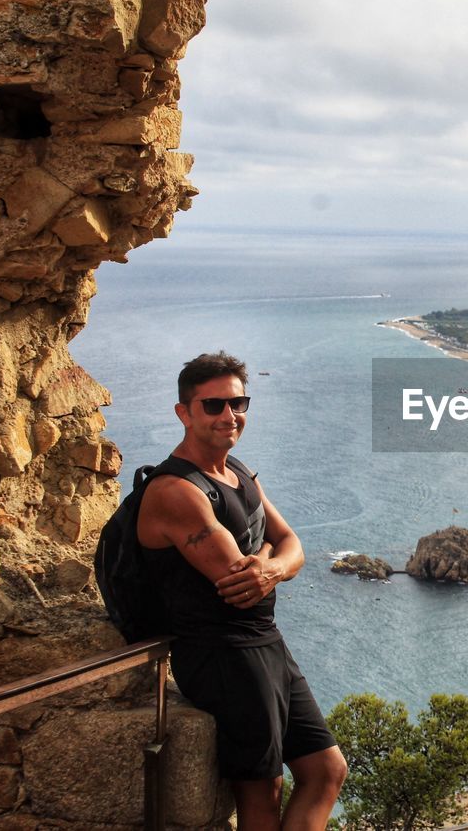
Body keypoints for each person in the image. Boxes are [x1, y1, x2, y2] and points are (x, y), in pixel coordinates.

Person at [137, 352, 347, 830]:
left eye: (238, 403)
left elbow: (292, 545)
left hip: (265, 644)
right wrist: (274, 565)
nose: (229, 416)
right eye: (213, 406)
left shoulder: (239, 473)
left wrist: (271, 569)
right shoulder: (175, 490)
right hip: (221, 653)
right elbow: (241, 582)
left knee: (326, 770)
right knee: (261, 791)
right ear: (183, 412)